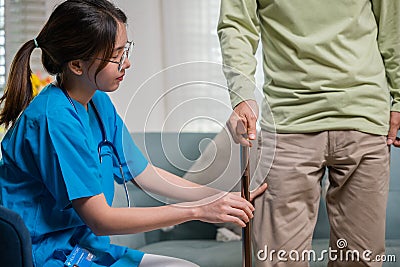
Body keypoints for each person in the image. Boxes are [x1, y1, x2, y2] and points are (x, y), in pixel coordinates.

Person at [0, 1, 268, 266]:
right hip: (46, 254)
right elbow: (100, 220)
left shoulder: (97, 102)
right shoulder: (54, 118)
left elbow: (143, 173)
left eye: (125, 50)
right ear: (77, 66)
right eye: (115, 56)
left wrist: (218, 197)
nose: (126, 63)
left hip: (85, 248)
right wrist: (198, 211)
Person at [218, 0, 400, 266]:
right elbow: (237, 25)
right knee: (278, 260)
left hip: (365, 118)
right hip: (287, 121)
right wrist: (242, 95)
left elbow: (392, 28)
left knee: (361, 261)